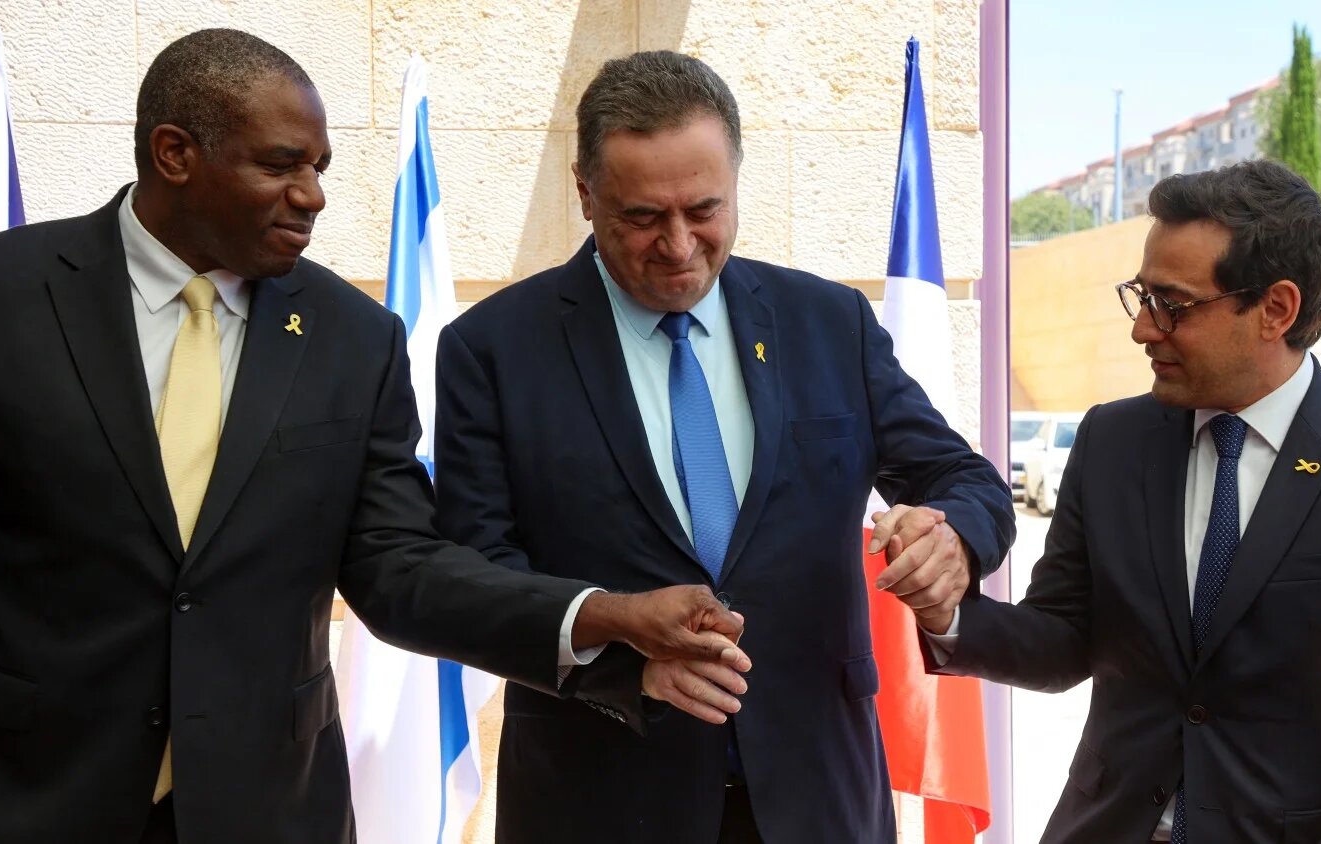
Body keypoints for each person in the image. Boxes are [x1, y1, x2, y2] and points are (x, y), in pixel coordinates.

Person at [0, 30, 748, 844]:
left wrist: (606, 614)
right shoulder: (8, 296)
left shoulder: (353, 338)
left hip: (269, 813)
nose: (311, 196)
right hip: (31, 798)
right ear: (174, 154)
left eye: (318, 169)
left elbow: (399, 571)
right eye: (281, 165)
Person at [432, 49, 1016, 844]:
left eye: (704, 209)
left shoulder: (827, 324)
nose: (678, 245)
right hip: (599, 798)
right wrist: (624, 658)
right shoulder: (493, 349)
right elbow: (474, 577)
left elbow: (962, 476)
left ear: (736, 183)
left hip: (819, 795)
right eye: (642, 217)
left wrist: (955, 537)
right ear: (585, 193)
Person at [918, 160, 1321, 843]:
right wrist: (948, 614)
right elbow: (1065, 637)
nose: (1143, 329)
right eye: (1141, 295)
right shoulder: (1112, 441)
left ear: (1276, 309)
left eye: (1173, 305)